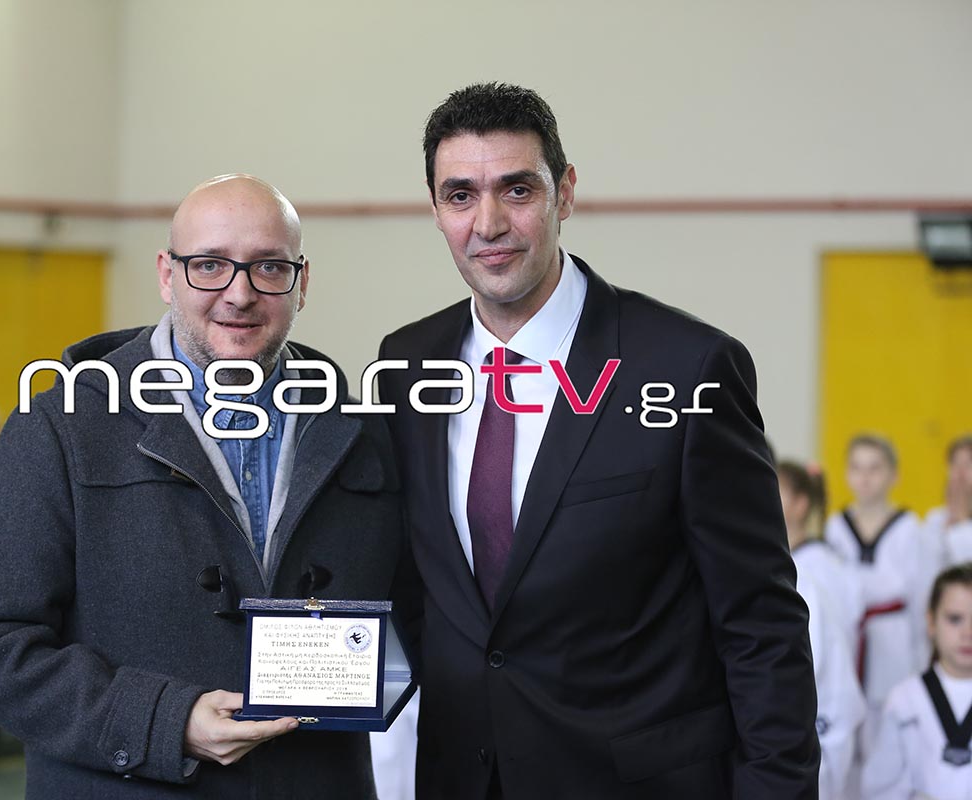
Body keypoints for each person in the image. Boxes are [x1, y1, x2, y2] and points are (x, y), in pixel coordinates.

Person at [377, 83, 819, 798]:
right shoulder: (405, 364)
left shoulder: (686, 366)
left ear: (565, 192)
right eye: (460, 196)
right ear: (435, 209)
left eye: (517, 189)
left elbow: (760, 623)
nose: (489, 223)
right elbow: (411, 586)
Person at [0, 174, 409, 799]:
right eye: (209, 265)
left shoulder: (362, 431)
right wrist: (167, 722)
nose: (240, 294)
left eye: (269, 267)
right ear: (168, 275)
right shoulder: (60, 427)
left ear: (302, 282)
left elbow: (422, 614)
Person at [824, 435, 929, 718]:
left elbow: (920, 596)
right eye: (857, 468)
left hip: (894, 635)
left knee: (891, 714)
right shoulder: (836, 526)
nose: (865, 478)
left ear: (893, 475)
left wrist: (923, 656)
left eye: (874, 468)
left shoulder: (909, 527)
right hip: (850, 634)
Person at [778, 461, 865, 799]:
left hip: (822, 717)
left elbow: (825, 660)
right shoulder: (789, 565)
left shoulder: (817, 572)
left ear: (801, 504)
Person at [863, 563, 972, 799]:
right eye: (955, 619)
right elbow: (880, 787)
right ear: (931, 623)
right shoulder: (904, 699)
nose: (968, 633)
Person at [922, 435, 972, 571]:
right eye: (955, 464)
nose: (960, 472)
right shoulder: (935, 518)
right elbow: (926, 568)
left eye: (969, 464)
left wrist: (961, 523)